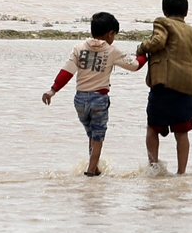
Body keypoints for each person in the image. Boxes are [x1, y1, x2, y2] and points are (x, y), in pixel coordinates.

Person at [42, 12, 145, 176]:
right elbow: (134, 66)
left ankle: (94, 165)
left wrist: (53, 90)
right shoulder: (112, 51)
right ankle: (91, 170)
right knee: (98, 136)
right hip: (99, 99)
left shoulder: (79, 48)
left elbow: (66, 72)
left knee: (91, 134)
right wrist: (143, 56)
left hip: (80, 100)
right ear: (110, 33)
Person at [137, 0, 192, 175]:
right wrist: (189, 75)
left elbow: (158, 42)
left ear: (164, 10)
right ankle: (181, 173)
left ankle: (153, 169)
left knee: (153, 127)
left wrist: (142, 48)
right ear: (186, 11)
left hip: (164, 86)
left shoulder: (162, 23)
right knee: (182, 132)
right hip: (188, 90)